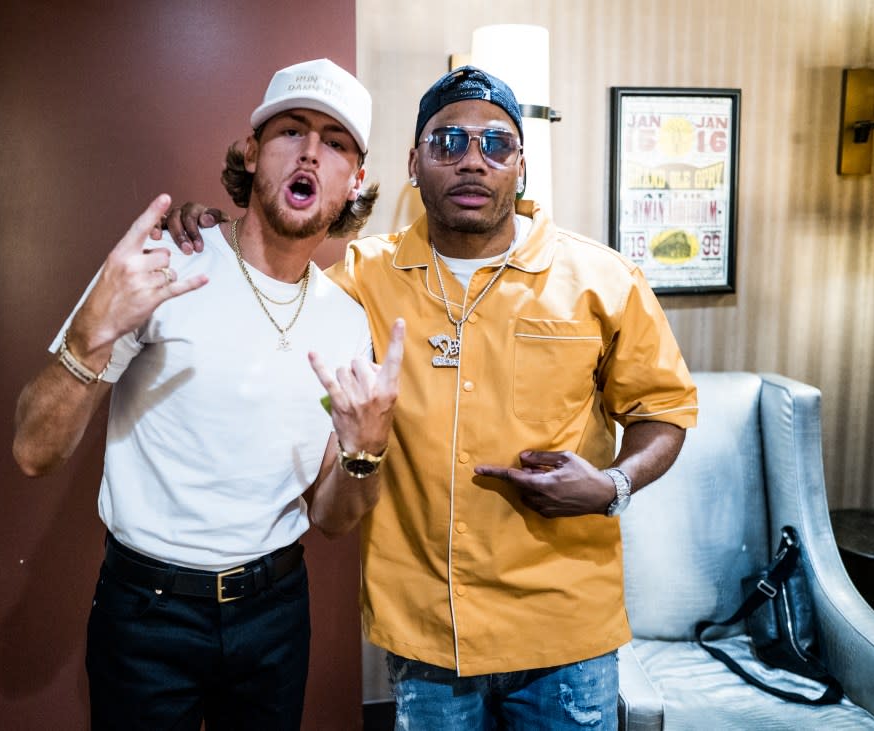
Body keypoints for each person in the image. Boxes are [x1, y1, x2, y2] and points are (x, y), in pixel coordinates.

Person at [168, 66, 698, 730]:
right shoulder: (362, 278)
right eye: (448, 142)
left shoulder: (601, 278)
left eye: (495, 144)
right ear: (414, 163)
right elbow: (270, 276)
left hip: (567, 631)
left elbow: (665, 411)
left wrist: (614, 483)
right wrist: (211, 232)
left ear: (521, 166)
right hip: (427, 636)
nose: (472, 160)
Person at [12, 58, 405, 731]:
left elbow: (334, 517)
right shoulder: (163, 267)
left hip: (275, 611)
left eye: (335, 143)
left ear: (354, 181)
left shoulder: (345, 323)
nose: (311, 151)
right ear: (253, 153)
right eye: (291, 131)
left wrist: (365, 451)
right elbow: (31, 451)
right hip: (147, 612)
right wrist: (88, 339)